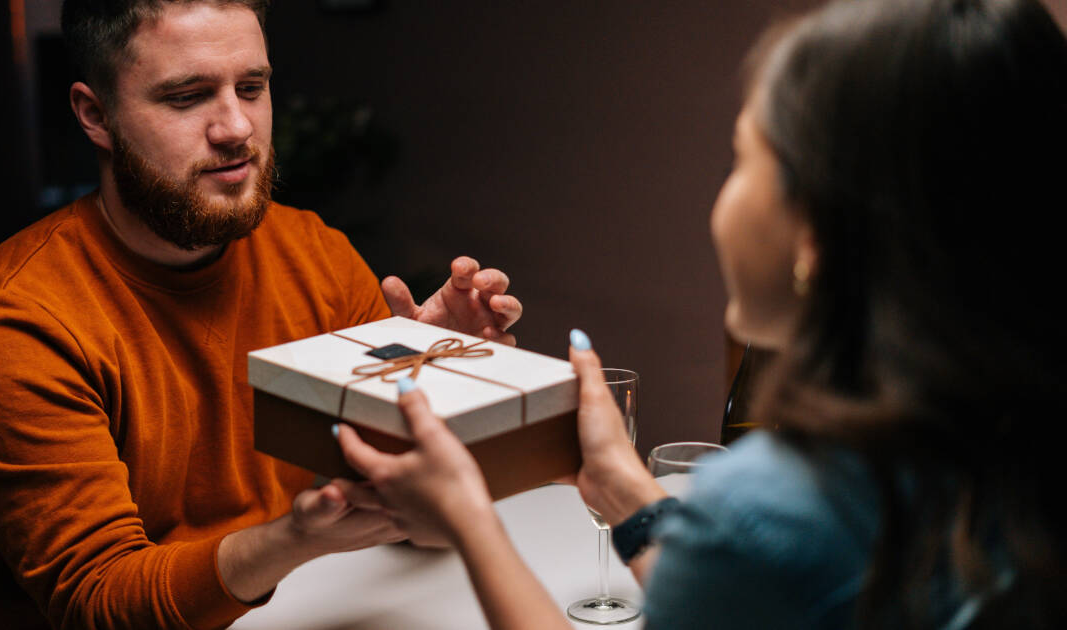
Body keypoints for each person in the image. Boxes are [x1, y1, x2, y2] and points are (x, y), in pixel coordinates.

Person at [336, 0, 1067, 627]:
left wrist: (469, 517)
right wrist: (620, 483)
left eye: (742, 158)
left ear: (816, 230)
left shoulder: (775, 511)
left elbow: (753, 558)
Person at [0, 1, 523, 628]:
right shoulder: (11, 321)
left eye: (252, 87)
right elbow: (98, 604)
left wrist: (444, 397)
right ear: (95, 115)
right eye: (187, 97)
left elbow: (415, 526)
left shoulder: (315, 254)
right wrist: (294, 540)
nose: (237, 127)